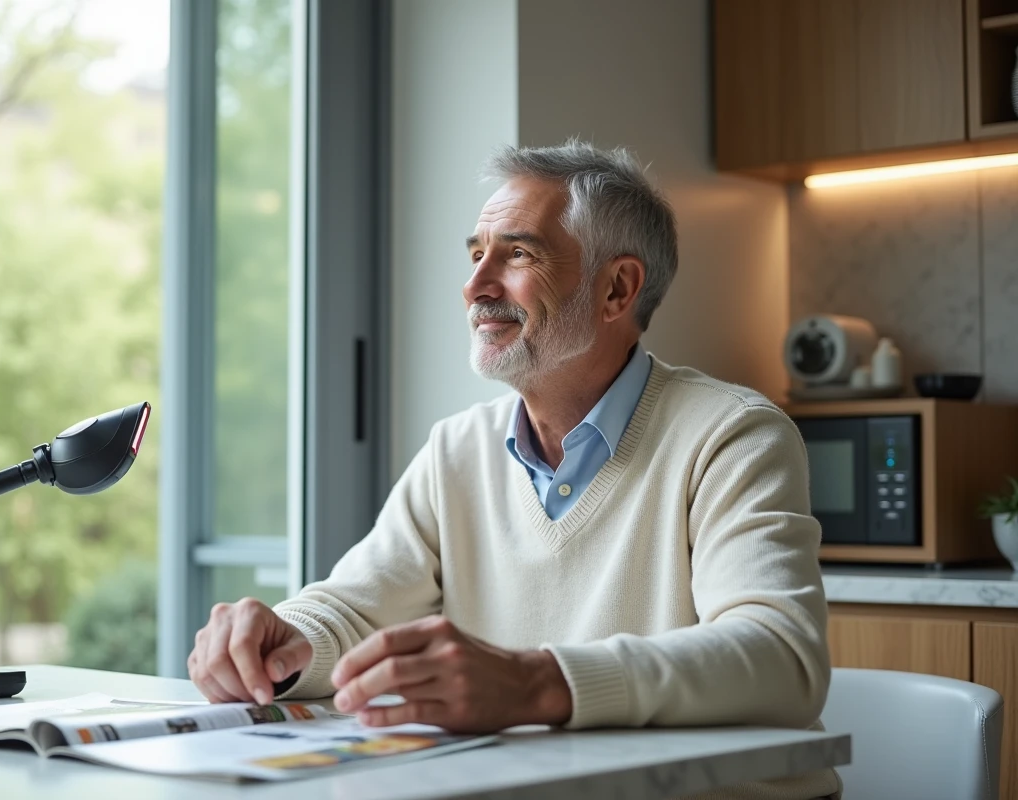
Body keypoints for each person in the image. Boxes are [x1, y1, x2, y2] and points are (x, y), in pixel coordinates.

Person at [189, 140, 840, 799]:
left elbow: (781, 660)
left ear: (617, 289)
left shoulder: (732, 434)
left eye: (518, 253)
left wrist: (534, 682)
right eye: (477, 254)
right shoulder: (457, 450)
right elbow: (357, 607)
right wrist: (285, 639)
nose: (475, 286)